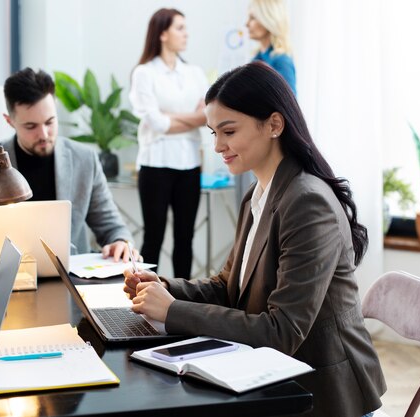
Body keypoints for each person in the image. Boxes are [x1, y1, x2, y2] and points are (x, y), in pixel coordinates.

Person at [124, 62, 386, 417]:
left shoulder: (307, 202)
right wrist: (167, 288)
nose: (217, 145)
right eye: (213, 132)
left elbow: (282, 331)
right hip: (271, 377)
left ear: (274, 125)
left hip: (321, 393)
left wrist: (173, 311)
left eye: (228, 131)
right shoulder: (258, 195)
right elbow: (228, 287)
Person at [0, 68, 135, 262]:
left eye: (50, 122)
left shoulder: (84, 159)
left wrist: (121, 242)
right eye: (31, 126)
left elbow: (112, 227)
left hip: (71, 279)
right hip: (1, 275)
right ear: (10, 121)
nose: (44, 134)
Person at [129, 8, 208, 278]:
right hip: (155, 166)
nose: (186, 34)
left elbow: (206, 116)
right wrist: (191, 118)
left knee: (185, 240)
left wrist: (168, 117)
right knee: (154, 238)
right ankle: (143, 296)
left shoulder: (195, 73)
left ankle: (181, 304)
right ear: (162, 34)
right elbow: (156, 122)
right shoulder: (144, 73)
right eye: (180, 28)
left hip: (189, 165)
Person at [235, 0, 299, 207]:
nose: (247, 24)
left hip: (269, 150)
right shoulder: (256, 59)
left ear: (268, 19)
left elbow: (288, 110)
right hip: (250, 143)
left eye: (253, 18)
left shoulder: (281, 61)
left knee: (266, 209)